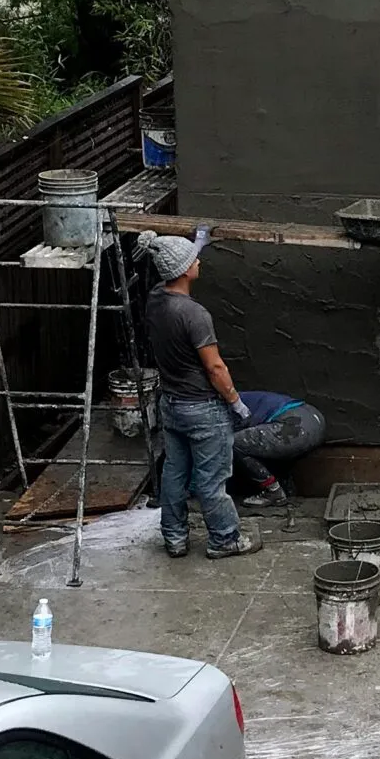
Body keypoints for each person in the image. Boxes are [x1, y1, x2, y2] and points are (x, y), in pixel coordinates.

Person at [138, 232, 261, 560]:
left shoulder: (155, 299)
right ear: (183, 271)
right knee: (211, 479)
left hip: (172, 405)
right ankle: (224, 539)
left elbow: (171, 265)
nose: (199, 261)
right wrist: (235, 401)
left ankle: (175, 538)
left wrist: (196, 243)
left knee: (175, 472)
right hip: (204, 409)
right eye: (195, 259)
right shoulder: (195, 315)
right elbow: (215, 368)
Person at [229, 389, 327, 516]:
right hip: (313, 419)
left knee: (232, 443)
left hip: (296, 426)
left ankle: (273, 491)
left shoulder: (221, 406)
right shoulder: (243, 398)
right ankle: (287, 489)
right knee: (260, 445)